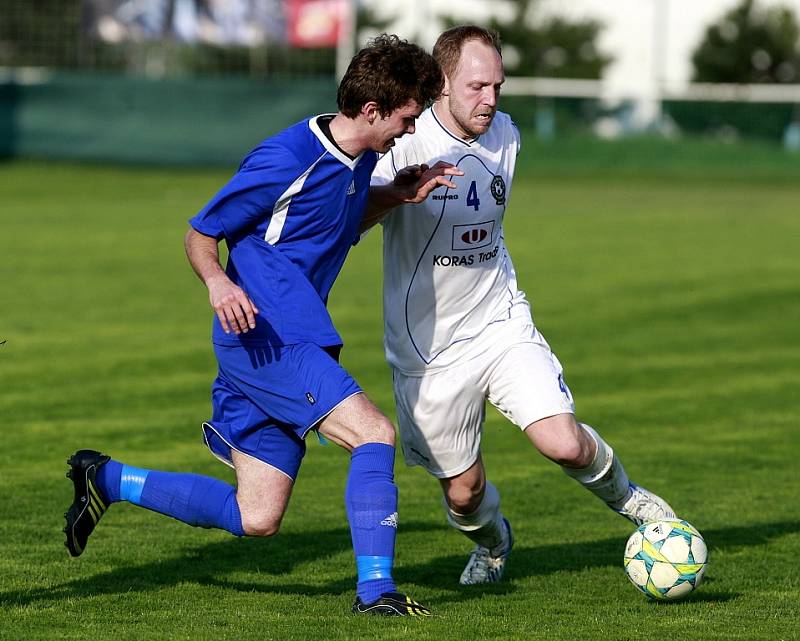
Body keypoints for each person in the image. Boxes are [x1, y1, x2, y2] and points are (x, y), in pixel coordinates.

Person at [63, 34, 461, 616]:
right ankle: (376, 593)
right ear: (371, 111)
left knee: (257, 517)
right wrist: (219, 284)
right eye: (404, 119)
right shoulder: (284, 159)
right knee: (374, 434)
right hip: (267, 337)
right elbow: (201, 234)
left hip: (287, 335)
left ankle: (107, 479)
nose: (408, 130)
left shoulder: (362, 157)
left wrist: (393, 196)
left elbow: (337, 222)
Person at [364, 26, 677, 586]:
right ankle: (492, 541)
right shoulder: (404, 143)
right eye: (476, 87)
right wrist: (396, 194)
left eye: (498, 87)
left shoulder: (505, 133)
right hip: (426, 348)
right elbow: (348, 222)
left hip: (500, 321)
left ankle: (635, 505)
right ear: (441, 84)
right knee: (465, 494)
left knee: (563, 441)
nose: (490, 100)